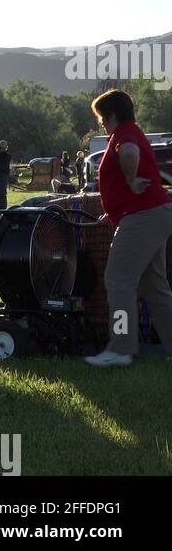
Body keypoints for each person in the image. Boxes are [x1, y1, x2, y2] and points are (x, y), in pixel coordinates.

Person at [85, 90, 172, 367]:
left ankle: (121, 348)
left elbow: (130, 153)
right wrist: (114, 212)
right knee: (155, 287)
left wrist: (132, 180)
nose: (101, 123)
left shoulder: (124, 135)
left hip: (143, 215)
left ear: (111, 114)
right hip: (154, 213)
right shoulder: (130, 131)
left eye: (101, 118)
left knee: (118, 280)